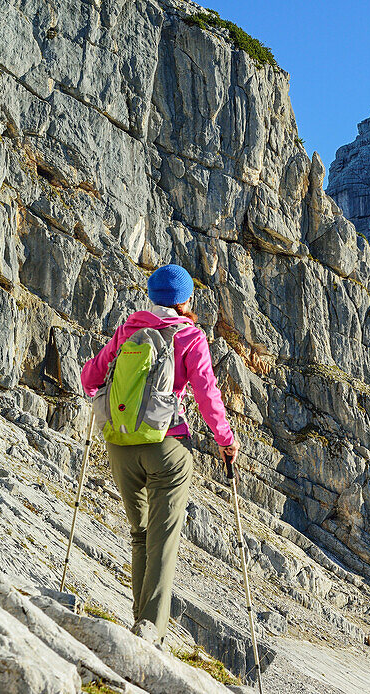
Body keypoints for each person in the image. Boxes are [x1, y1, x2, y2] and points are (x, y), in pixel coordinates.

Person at [80, 263, 235, 641]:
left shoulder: (129, 330)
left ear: (152, 297)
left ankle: (140, 621)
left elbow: (89, 378)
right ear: (186, 301)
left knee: (139, 533)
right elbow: (206, 393)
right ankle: (150, 631)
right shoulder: (190, 336)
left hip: (119, 445)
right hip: (166, 448)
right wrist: (226, 441)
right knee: (163, 540)